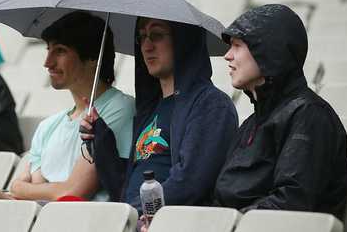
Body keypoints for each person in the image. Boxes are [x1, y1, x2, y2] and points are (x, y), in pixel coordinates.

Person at [0, 12, 135, 204]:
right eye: (48, 50)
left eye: (60, 51)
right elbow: (25, 200)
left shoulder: (119, 108)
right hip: (36, 219)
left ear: (93, 58)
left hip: (75, 221)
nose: (47, 62)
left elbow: (71, 193)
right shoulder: (48, 126)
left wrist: (21, 187)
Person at [81, 17, 237, 229]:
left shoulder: (211, 104)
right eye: (142, 37)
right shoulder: (149, 109)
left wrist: (140, 215)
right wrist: (101, 140)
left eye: (156, 35)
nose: (146, 45)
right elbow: (122, 189)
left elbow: (191, 183)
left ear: (183, 41)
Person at [212, 4, 347, 219]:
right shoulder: (252, 122)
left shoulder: (309, 116)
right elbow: (223, 197)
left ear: (269, 52)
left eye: (238, 45)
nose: (227, 56)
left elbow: (292, 202)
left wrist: (230, 225)